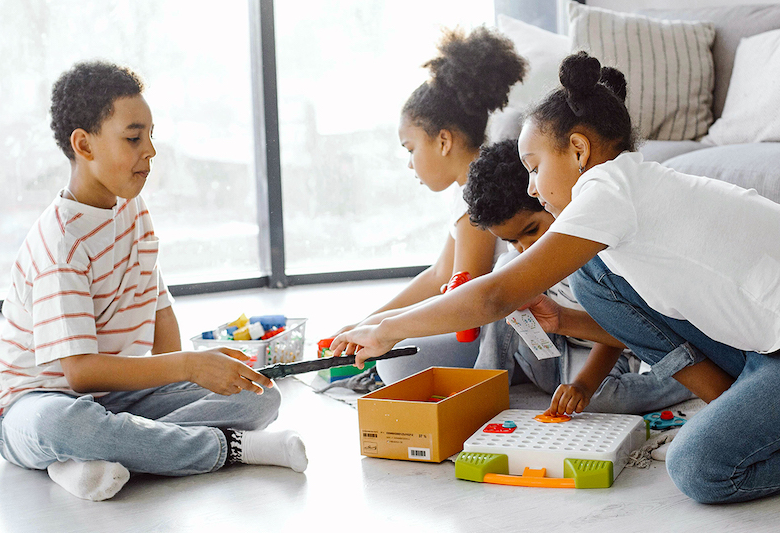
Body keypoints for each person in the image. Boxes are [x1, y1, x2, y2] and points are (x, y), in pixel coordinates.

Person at [332, 51, 780, 505]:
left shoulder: (609, 191)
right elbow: (634, 321)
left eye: (533, 166)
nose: (530, 187)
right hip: (758, 344)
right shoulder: (632, 190)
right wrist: (563, 322)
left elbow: (497, 295)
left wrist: (387, 328)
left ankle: (739, 412)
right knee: (593, 278)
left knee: (698, 467)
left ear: (579, 151)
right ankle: (727, 400)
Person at [0, 61, 307, 502]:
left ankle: (97, 457)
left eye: (151, 136)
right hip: (33, 406)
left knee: (259, 395)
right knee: (68, 426)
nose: (151, 151)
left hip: (117, 398)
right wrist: (190, 366)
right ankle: (231, 449)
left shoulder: (131, 208)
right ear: (84, 144)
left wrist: (189, 377)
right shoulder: (61, 241)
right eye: (134, 138)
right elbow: (79, 373)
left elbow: (158, 305)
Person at [336, 26, 528, 384]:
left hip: (494, 329)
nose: (410, 164)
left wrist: (385, 332)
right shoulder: (464, 188)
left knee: (394, 363)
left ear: (443, 141)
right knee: (390, 350)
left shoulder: (479, 190)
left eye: (410, 149)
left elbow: (463, 300)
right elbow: (441, 274)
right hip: (477, 319)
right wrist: (370, 322)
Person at [464, 139, 693, 415]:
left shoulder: (598, 250)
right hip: (553, 354)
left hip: (608, 354)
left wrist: (584, 384)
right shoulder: (522, 258)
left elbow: (621, 333)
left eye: (531, 230)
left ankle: (686, 381)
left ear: (548, 201)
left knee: (601, 400)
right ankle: (484, 394)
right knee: (504, 274)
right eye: (512, 240)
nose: (525, 248)